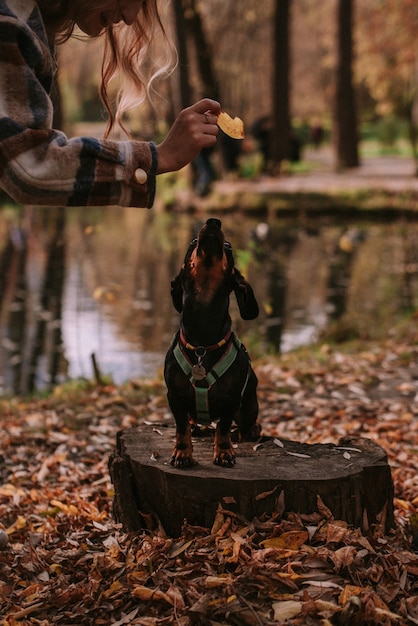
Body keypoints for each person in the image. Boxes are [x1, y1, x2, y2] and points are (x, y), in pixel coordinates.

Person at [0, 0, 221, 208]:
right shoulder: (10, 22)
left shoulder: (27, 21)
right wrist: (158, 157)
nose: (131, 17)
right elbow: (29, 166)